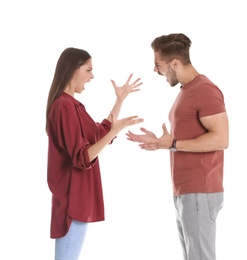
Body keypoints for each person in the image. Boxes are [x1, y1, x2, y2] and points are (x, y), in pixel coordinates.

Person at [126, 33, 229, 260]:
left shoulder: (205, 90)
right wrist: (162, 141)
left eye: (158, 65)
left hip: (200, 190)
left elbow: (221, 138)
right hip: (186, 191)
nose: (155, 70)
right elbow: (188, 137)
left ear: (175, 63)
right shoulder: (186, 91)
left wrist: (172, 143)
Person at [45, 47, 143, 260]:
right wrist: (113, 132)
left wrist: (120, 100)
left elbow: (99, 134)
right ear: (73, 70)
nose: (92, 76)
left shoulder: (71, 105)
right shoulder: (64, 107)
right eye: (88, 70)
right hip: (72, 204)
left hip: (77, 202)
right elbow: (82, 157)